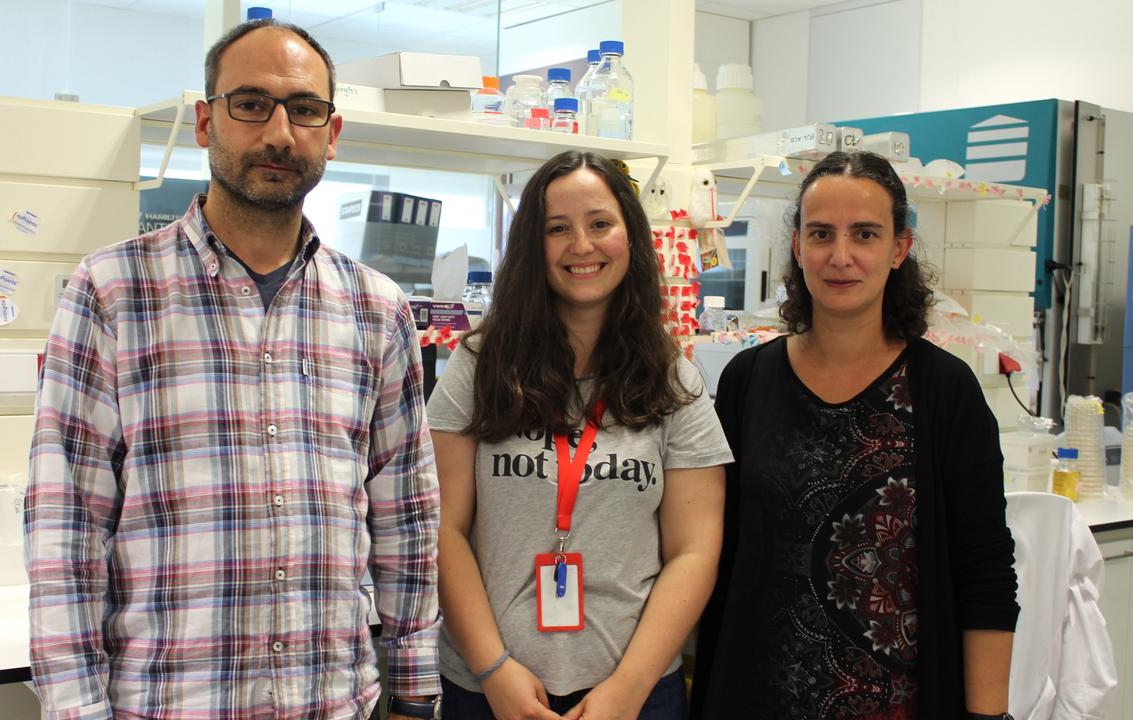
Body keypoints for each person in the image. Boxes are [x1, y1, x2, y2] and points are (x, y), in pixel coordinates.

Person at [24, 19, 441, 720]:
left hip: (336, 703)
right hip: (171, 704)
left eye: (304, 109)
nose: (279, 131)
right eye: (250, 103)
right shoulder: (111, 292)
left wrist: (416, 691)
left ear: (331, 135)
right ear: (204, 121)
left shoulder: (379, 309)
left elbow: (407, 518)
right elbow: (66, 530)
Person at [691, 150, 1019, 720]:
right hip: (759, 698)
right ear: (797, 246)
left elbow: (985, 571)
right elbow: (713, 552)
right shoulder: (748, 382)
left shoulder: (945, 391)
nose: (840, 257)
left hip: (900, 704)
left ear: (899, 249)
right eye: (821, 234)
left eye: (864, 234)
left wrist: (988, 715)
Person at [426, 150, 732, 720]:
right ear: (529, 247)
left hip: (634, 693)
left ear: (631, 237)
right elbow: (443, 527)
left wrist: (629, 690)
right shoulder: (478, 366)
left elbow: (694, 550)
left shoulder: (673, 379)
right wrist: (494, 671)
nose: (581, 246)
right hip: (490, 688)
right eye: (557, 229)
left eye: (600, 224)